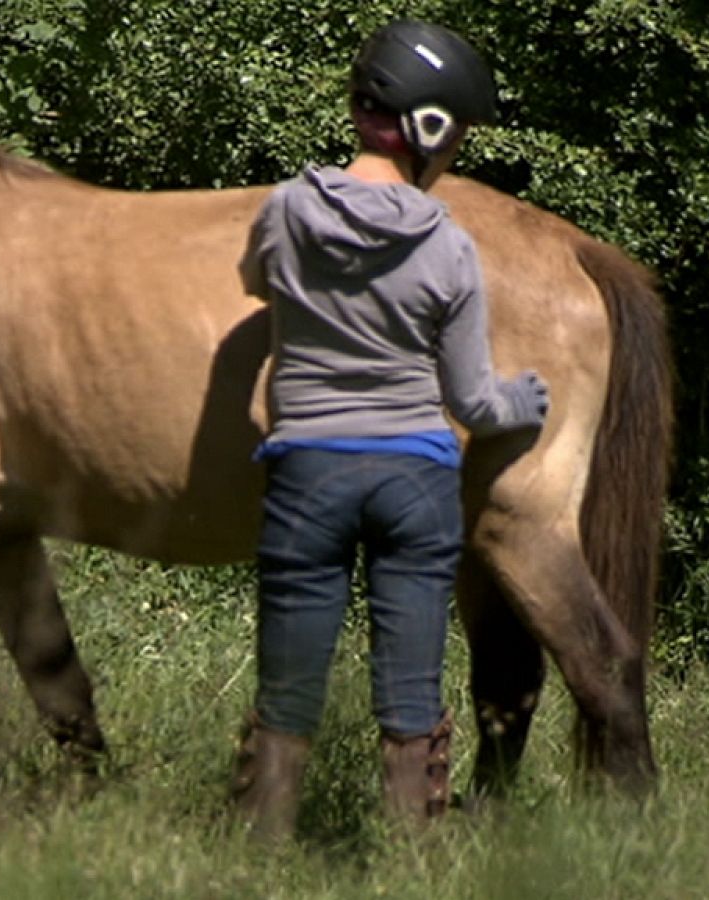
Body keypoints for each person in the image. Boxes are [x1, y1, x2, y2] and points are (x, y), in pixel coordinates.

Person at [231, 19, 550, 841]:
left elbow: (254, 279)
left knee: (291, 678)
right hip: (415, 481)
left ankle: (263, 848)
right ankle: (411, 851)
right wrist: (529, 400)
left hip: (308, 473)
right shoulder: (449, 246)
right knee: (409, 683)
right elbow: (476, 403)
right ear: (431, 128)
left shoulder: (289, 212)